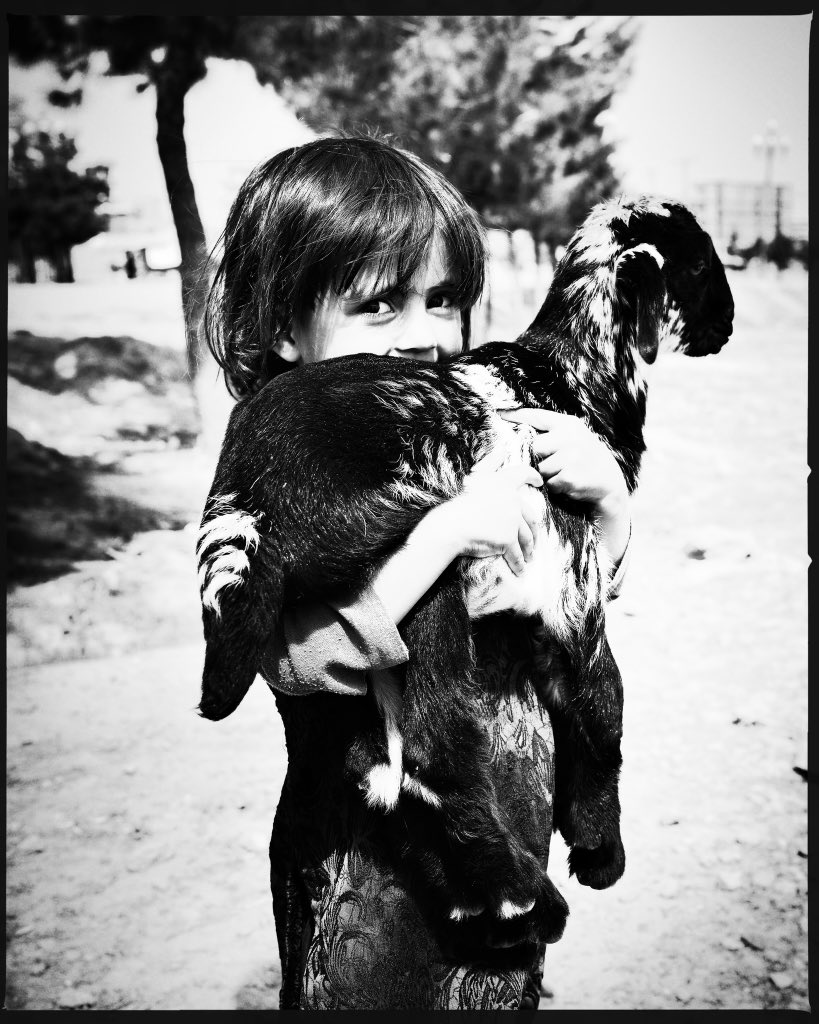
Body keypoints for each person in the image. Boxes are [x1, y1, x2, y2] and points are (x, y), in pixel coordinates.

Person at [203, 134, 631, 1010]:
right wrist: (440, 538)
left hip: (508, 831)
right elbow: (293, 659)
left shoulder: (450, 434)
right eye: (379, 305)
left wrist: (608, 504)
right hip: (364, 876)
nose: (424, 336)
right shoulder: (289, 465)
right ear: (281, 326)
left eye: (442, 301)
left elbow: (564, 595)